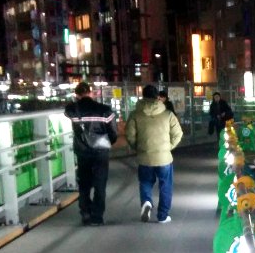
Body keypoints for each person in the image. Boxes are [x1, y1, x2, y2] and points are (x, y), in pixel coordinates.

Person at [126, 84, 183, 224]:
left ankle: (146, 202)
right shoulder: (168, 114)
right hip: (164, 158)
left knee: (145, 182)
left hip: (144, 157)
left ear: (142, 97)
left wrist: (138, 147)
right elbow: (178, 134)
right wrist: (168, 147)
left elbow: (129, 135)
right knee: (165, 185)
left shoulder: (135, 115)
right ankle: (163, 215)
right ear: (157, 97)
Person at [64, 81, 118, 226]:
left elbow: (66, 109)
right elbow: (113, 133)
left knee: (84, 183)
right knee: (100, 184)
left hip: (82, 151)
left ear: (76, 95)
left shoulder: (73, 110)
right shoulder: (104, 110)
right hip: (101, 152)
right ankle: (97, 216)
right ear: (91, 92)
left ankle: (85, 212)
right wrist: (107, 143)